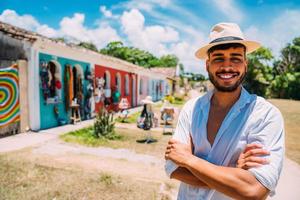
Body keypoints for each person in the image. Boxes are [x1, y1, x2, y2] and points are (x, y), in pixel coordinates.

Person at [165, 22, 285, 200]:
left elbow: (254, 190)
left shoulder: (266, 115)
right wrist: (234, 174)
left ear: (245, 64)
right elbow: (174, 168)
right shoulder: (192, 109)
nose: (227, 66)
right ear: (208, 65)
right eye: (219, 58)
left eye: (236, 58)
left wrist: (189, 160)